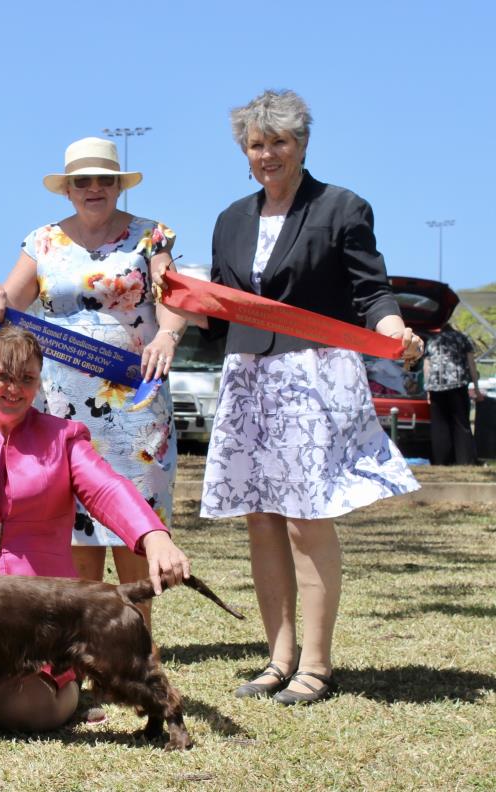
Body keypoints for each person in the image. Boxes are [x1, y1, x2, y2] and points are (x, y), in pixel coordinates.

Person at [167, 90, 422, 705]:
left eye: (279, 142)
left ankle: (317, 662)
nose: (267, 154)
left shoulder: (341, 207)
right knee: (261, 520)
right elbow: (225, 311)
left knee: (309, 521)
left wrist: (391, 331)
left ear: (303, 144)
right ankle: (277, 657)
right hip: (249, 379)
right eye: (256, 145)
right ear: (244, 152)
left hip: (315, 374)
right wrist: (176, 293)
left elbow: (371, 291)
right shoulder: (230, 218)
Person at [0, 324, 191, 730]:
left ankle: (0, 699)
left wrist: (153, 535)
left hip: (37, 620)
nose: (13, 389)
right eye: (2, 376)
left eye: (27, 379)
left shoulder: (64, 437)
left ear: (40, 380)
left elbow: (106, 489)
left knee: (34, 713)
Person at [0, 137, 187, 632]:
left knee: (136, 520)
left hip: (138, 402)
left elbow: (173, 295)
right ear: (67, 189)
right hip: (62, 408)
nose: (95, 188)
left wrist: (170, 335)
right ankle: (83, 654)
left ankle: (138, 648)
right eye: (83, 181)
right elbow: (13, 301)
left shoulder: (151, 236)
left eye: (105, 180)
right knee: (76, 531)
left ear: (118, 185)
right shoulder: (42, 241)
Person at [423, 323, 483, 465]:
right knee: (461, 424)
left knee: (439, 425)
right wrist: (477, 388)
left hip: (436, 387)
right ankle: (465, 460)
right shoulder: (462, 338)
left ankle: (441, 460)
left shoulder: (432, 340)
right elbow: (471, 364)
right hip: (458, 385)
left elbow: (427, 366)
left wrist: (427, 390)